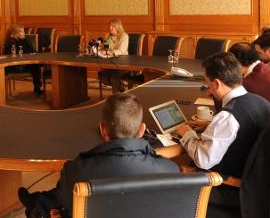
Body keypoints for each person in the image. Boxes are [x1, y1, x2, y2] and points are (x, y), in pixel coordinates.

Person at [18, 93, 179, 218]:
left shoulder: (75, 171)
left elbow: (64, 203)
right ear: (142, 130)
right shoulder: (170, 170)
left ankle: (36, 204)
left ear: (102, 130)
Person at [177, 52, 270, 211]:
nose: (208, 92)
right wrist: (210, 126)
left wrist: (187, 133)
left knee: (173, 183)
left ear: (217, 83)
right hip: (259, 186)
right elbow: (242, 134)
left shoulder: (227, 117)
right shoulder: (261, 101)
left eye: (208, 85)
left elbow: (204, 159)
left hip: (232, 188)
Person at [4, 25, 42, 95]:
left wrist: (35, 53)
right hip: (15, 66)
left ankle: (37, 88)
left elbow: (32, 50)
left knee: (36, 65)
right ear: (16, 33)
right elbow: (11, 56)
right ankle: (37, 88)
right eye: (22, 31)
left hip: (26, 63)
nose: (24, 33)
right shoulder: (11, 42)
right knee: (35, 66)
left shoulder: (24, 40)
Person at [98, 18, 130, 93]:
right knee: (104, 79)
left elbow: (122, 51)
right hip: (110, 63)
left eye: (112, 26)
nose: (110, 28)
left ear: (118, 27)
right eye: (109, 26)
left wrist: (111, 52)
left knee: (114, 79)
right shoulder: (107, 36)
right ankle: (120, 85)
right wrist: (102, 51)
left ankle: (115, 98)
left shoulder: (124, 36)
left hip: (123, 63)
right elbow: (106, 49)